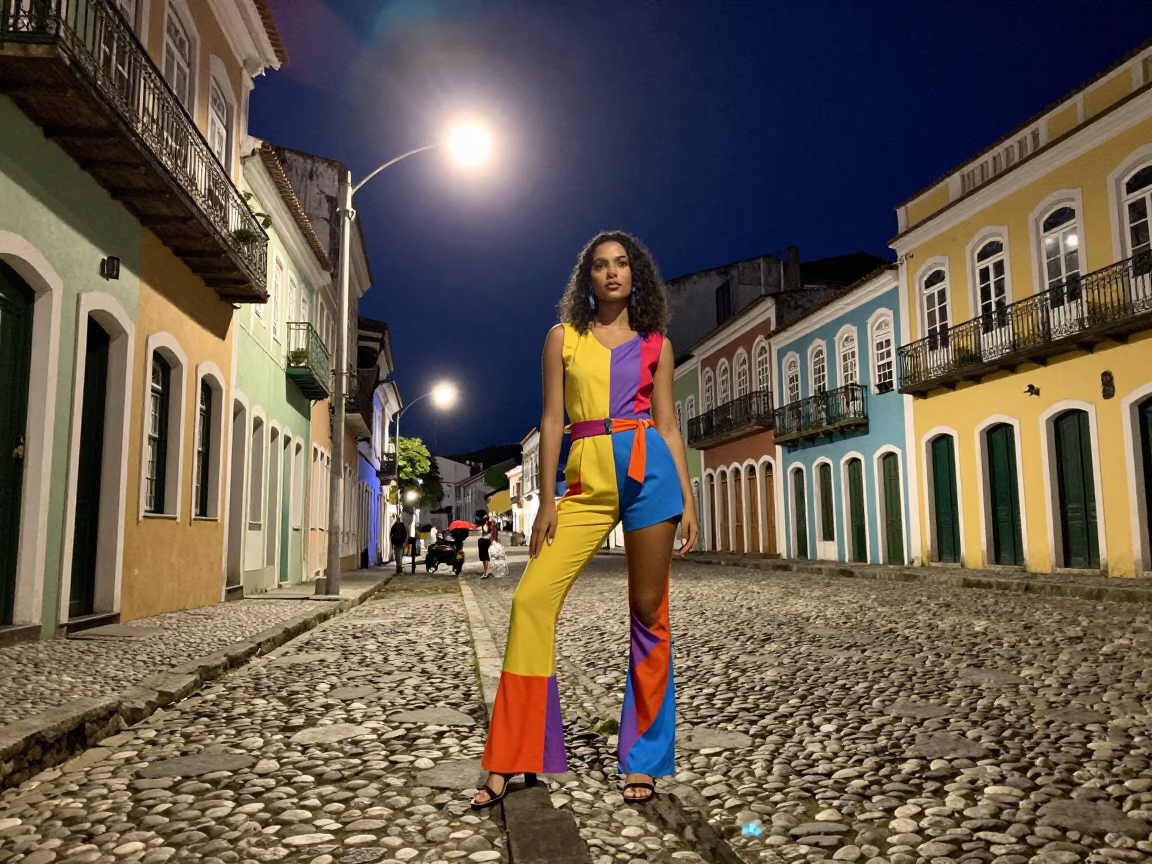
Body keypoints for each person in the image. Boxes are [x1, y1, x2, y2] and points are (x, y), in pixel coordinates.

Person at [472, 231, 698, 811]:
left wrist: (688, 497)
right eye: (601, 265)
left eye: (622, 263)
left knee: (649, 612)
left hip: (651, 476)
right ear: (587, 278)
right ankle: (513, 753)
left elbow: (668, 425)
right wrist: (548, 500)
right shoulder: (563, 338)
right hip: (585, 484)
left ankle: (643, 757)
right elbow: (552, 420)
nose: (612, 272)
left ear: (635, 274)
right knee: (530, 600)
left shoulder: (657, 344)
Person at [477, 514, 494, 579]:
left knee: (485, 557)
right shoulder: (490, 524)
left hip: (484, 541)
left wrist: (483, 525)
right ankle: (487, 572)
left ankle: (486, 573)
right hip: (486, 541)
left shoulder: (487, 525)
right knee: (486, 557)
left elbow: (486, 530)